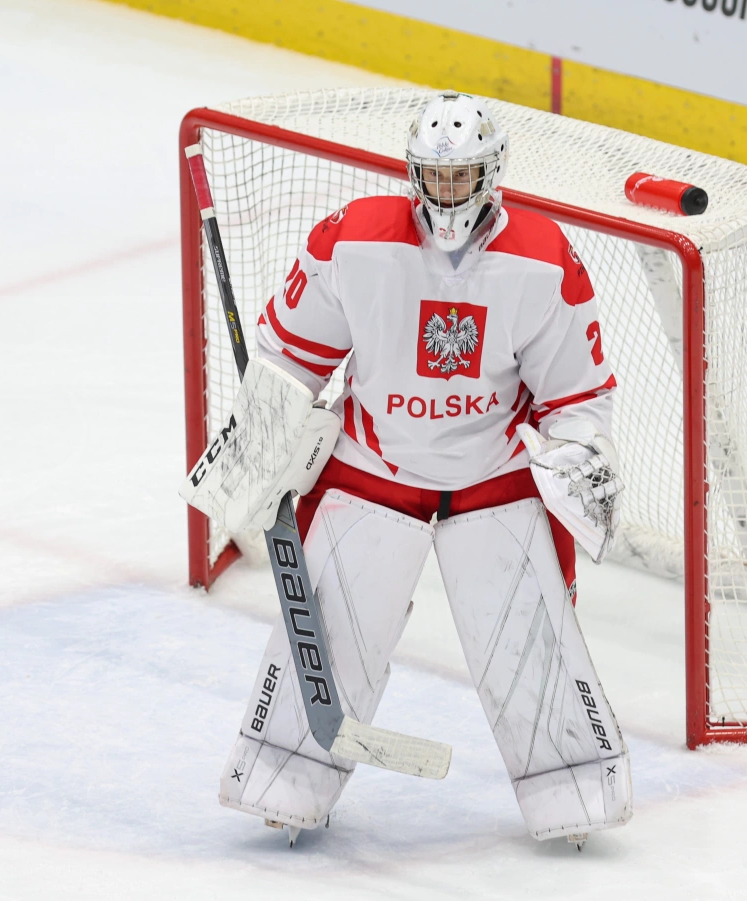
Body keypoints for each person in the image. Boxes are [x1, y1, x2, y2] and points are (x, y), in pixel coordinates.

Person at [203, 91, 630, 846]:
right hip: (374, 463)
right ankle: (285, 775)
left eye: (462, 175)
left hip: (492, 473)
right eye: (436, 175)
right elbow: (286, 355)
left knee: (527, 634)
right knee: (332, 623)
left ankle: (571, 790)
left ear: (491, 174)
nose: (448, 191)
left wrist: (579, 457)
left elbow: (576, 394)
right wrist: (265, 442)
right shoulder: (354, 241)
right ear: (413, 172)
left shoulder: (542, 258)